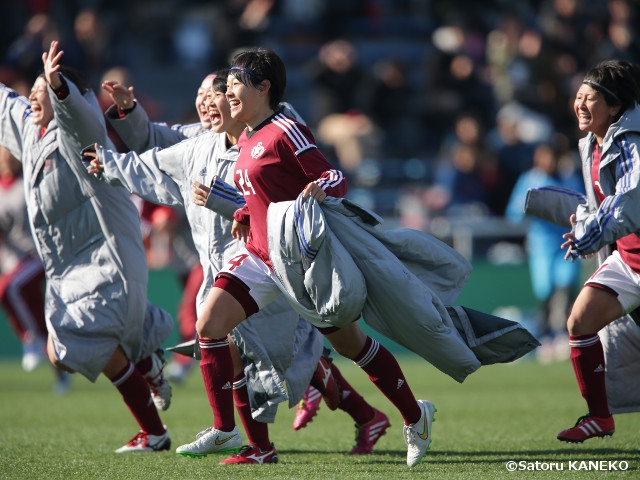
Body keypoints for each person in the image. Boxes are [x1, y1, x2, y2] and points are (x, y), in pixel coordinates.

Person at [85, 70, 392, 463]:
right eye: (199, 94)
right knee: (247, 353)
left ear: (237, 100)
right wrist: (123, 127)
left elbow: (280, 201)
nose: (204, 101)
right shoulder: (200, 141)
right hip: (231, 274)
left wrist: (223, 198)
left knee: (306, 351)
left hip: (271, 269)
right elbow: (155, 150)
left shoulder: (264, 140)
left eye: (214, 94)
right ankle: (274, 436)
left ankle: (394, 412)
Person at [179, 48, 436, 468]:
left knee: (354, 347)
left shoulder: (285, 130)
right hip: (260, 258)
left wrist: (323, 188)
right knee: (210, 325)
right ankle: (237, 436)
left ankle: (414, 415)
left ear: (264, 88)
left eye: (235, 86)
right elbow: (260, 194)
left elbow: (333, 175)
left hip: (299, 264)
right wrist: (244, 214)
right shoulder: (245, 137)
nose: (228, 95)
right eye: (225, 87)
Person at [0, 40, 174, 452]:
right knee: (60, 354)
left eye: (46, 94)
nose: (35, 100)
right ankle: (147, 365)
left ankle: (154, 432)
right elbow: (7, 105)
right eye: (35, 93)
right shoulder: (31, 132)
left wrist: (61, 88)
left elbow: (81, 115)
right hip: (69, 267)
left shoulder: (79, 129)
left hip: (107, 253)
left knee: (73, 343)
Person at [557, 59, 640, 443]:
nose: (580, 104)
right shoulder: (592, 141)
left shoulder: (631, 142)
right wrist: (582, 227)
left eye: (590, 98)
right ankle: (599, 418)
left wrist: (593, 234)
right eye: (578, 96)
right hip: (628, 259)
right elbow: (600, 203)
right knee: (579, 321)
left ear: (615, 107)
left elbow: (630, 203)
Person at [506, 141, 585, 363]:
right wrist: (529, 205)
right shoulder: (529, 180)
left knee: (568, 285)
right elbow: (513, 212)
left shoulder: (569, 178)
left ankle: (565, 334)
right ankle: (544, 337)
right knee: (545, 291)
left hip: (567, 243)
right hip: (541, 246)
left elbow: (583, 206)